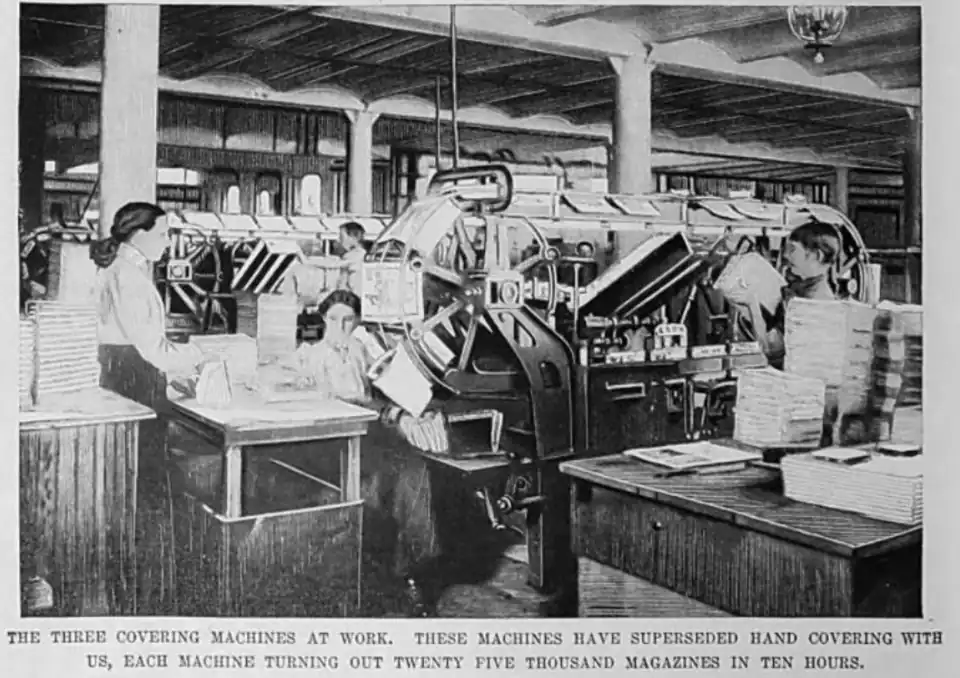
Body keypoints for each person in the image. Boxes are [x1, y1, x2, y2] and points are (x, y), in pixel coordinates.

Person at [289, 290, 449, 616]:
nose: (341, 327)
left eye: (349, 320)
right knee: (373, 483)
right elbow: (337, 402)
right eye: (333, 319)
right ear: (323, 320)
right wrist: (390, 414)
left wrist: (419, 409)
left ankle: (414, 573)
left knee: (412, 471)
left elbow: (382, 390)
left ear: (358, 322)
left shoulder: (361, 351)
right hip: (332, 441)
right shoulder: (308, 356)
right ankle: (377, 579)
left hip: (369, 436)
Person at [90, 202, 205, 615]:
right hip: (134, 382)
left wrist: (173, 371)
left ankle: (138, 581)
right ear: (138, 236)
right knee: (149, 484)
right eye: (163, 234)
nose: (168, 242)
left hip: (126, 376)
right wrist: (198, 360)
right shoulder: (130, 277)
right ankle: (150, 590)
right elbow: (150, 347)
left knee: (137, 481)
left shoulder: (120, 271)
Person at [736, 220, 841, 368]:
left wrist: (752, 306)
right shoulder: (801, 290)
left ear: (817, 256)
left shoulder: (812, 304)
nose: (785, 255)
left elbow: (770, 350)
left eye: (792, 249)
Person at [338, 221, 368, 293]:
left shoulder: (358, 254)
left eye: (341, 237)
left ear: (353, 237)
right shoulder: (361, 254)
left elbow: (335, 264)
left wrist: (308, 261)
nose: (339, 240)